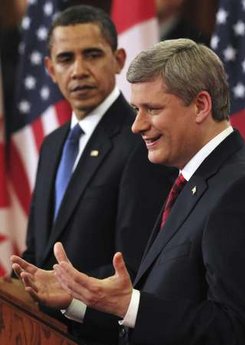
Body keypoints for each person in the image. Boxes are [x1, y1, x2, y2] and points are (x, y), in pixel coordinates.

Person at [12, 38, 245, 344]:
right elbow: (161, 305)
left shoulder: (236, 188)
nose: (136, 125)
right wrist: (78, 301)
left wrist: (130, 304)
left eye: (152, 109)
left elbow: (233, 328)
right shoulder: (191, 182)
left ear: (201, 105)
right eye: (136, 109)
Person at [11, 5, 176, 345]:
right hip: (35, 329)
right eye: (66, 59)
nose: (79, 70)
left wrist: (66, 289)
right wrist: (20, 278)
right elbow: (37, 251)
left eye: (92, 55)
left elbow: (136, 264)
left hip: (97, 333)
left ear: (118, 59)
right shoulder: (53, 143)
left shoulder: (140, 141)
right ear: (50, 69)